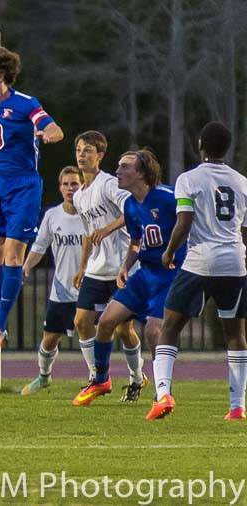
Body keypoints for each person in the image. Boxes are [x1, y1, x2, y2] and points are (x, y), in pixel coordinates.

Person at [0, 46, 63, 353]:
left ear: (1, 76)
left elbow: (52, 128)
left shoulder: (25, 104)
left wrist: (49, 134)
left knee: (11, 255)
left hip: (23, 186)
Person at [147, 122, 247, 421]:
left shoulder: (189, 179)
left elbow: (184, 221)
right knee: (235, 334)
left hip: (200, 261)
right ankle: (237, 406)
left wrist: (168, 251)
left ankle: (164, 394)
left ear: (200, 143)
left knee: (169, 327)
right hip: (234, 262)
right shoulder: (242, 182)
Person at [73, 149, 184, 407]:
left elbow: (191, 220)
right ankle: (101, 379)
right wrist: (126, 265)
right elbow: (136, 241)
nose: (118, 171)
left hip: (169, 275)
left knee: (155, 331)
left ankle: (162, 392)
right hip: (143, 274)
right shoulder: (130, 204)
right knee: (105, 322)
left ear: (142, 173)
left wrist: (180, 252)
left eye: (124, 167)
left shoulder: (167, 197)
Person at [71, 131, 146, 401]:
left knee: (123, 329)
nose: (82, 155)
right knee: (81, 321)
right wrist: (81, 267)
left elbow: (132, 210)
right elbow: (89, 233)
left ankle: (137, 378)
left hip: (120, 267)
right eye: (79, 150)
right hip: (95, 268)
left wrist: (109, 227)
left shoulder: (108, 184)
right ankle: (97, 376)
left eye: (88, 150)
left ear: (100, 155)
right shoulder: (79, 195)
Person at [20, 166, 84, 395]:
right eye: (66, 184)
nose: (70, 188)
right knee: (49, 340)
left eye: (74, 184)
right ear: (59, 187)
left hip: (90, 289)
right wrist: (26, 266)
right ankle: (44, 377)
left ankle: (97, 380)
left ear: (82, 185)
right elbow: (40, 246)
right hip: (62, 290)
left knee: (97, 335)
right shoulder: (52, 215)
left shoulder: (91, 214)